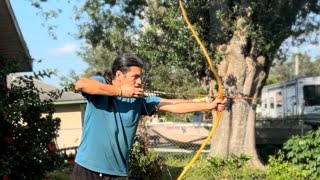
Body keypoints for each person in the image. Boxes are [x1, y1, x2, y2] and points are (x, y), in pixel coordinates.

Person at [72, 53, 227, 180]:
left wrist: (209, 106)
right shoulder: (101, 84)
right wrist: (121, 92)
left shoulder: (139, 100)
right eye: (135, 76)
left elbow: (173, 104)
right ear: (119, 75)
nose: (139, 81)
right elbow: (81, 84)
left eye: (140, 77)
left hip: (117, 173)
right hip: (87, 168)